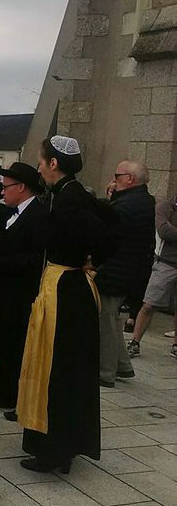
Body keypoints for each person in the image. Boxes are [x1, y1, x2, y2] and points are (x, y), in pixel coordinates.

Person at [16, 136, 109, 474]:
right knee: (68, 367)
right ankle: (64, 444)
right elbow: (106, 231)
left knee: (53, 367)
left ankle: (53, 449)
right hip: (74, 288)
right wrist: (91, 260)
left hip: (62, 289)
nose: (39, 166)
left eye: (42, 161)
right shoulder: (74, 195)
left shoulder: (67, 200)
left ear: (53, 164)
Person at [0, 162, 49, 419]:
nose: (2, 192)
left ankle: (18, 397)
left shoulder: (38, 216)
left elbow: (35, 259)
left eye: (5, 187)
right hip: (6, 293)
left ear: (21, 187)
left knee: (19, 347)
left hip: (23, 294)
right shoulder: (10, 213)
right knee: (5, 344)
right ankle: (5, 392)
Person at [96, 161, 155, 386]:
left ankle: (106, 372)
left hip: (115, 271)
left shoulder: (129, 204)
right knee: (111, 319)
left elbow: (110, 223)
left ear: (129, 179)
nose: (113, 180)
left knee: (106, 322)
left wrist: (111, 198)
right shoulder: (143, 200)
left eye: (117, 175)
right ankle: (122, 366)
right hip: (127, 270)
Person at [127, 194, 177, 360]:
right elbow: (164, 231)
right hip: (166, 262)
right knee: (149, 304)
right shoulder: (166, 207)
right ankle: (135, 341)